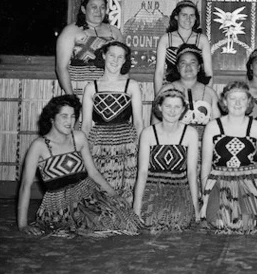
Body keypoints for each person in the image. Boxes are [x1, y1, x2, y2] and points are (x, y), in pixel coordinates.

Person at [17, 94, 142, 236]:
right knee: (80, 227)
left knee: (121, 219)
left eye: (72, 116)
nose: (69, 121)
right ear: (52, 118)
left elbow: (93, 173)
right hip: (58, 205)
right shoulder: (39, 146)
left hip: (87, 196)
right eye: (64, 116)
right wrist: (22, 225)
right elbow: (25, 185)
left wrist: (114, 195)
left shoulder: (79, 137)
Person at [200, 81, 257, 233]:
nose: (237, 103)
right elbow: (206, 164)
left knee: (247, 224)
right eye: (232, 98)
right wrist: (205, 196)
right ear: (225, 101)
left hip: (249, 183)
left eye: (242, 99)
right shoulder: (213, 127)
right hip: (219, 182)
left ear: (249, 101)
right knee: (218, 222)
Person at [80, 41, 143, 204]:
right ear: (103, 56)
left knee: (125, 184)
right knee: (99, 183)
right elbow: (86, 124)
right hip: (99, 142)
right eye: (112, 55)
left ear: (124, 61)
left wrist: (139, 147)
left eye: (120, 57)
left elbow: (138, 122)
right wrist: (83, 149)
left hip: (126, 142)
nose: (115, 60)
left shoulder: (132, 85)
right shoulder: (91, 87)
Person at [132, 88, 200, 232]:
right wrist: (136, 209)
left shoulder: (190, 133)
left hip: (179, 188)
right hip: (153, 188)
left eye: (177, 107)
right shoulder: (148, 133)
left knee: (180, 224)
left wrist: (196, 209)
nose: (172, 111)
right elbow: (142, 173)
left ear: (183, 110)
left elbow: (192, 174)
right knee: (150, 224)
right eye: (168, 106)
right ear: (159, 107)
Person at [55, 0, 124, 97]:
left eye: (102, 7)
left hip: (108, 91)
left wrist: (123, 91)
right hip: (78, 90)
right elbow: (61, 68)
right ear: (83, 9)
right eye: (94, 7)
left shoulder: (114, 32)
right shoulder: (71, 31)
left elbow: (124, 66)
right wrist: (71, 96)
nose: (98, 11)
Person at [153, 0, 214, 95]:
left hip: (196, 89)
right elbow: (159, 72)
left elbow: (208, 72)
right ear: (176, 17)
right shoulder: (166, 39)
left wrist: (206, 96)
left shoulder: (202, 39)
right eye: (184, 15)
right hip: (171, 90)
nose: (188, 19)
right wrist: (158, 97)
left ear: (196, 18)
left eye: (192, 15)